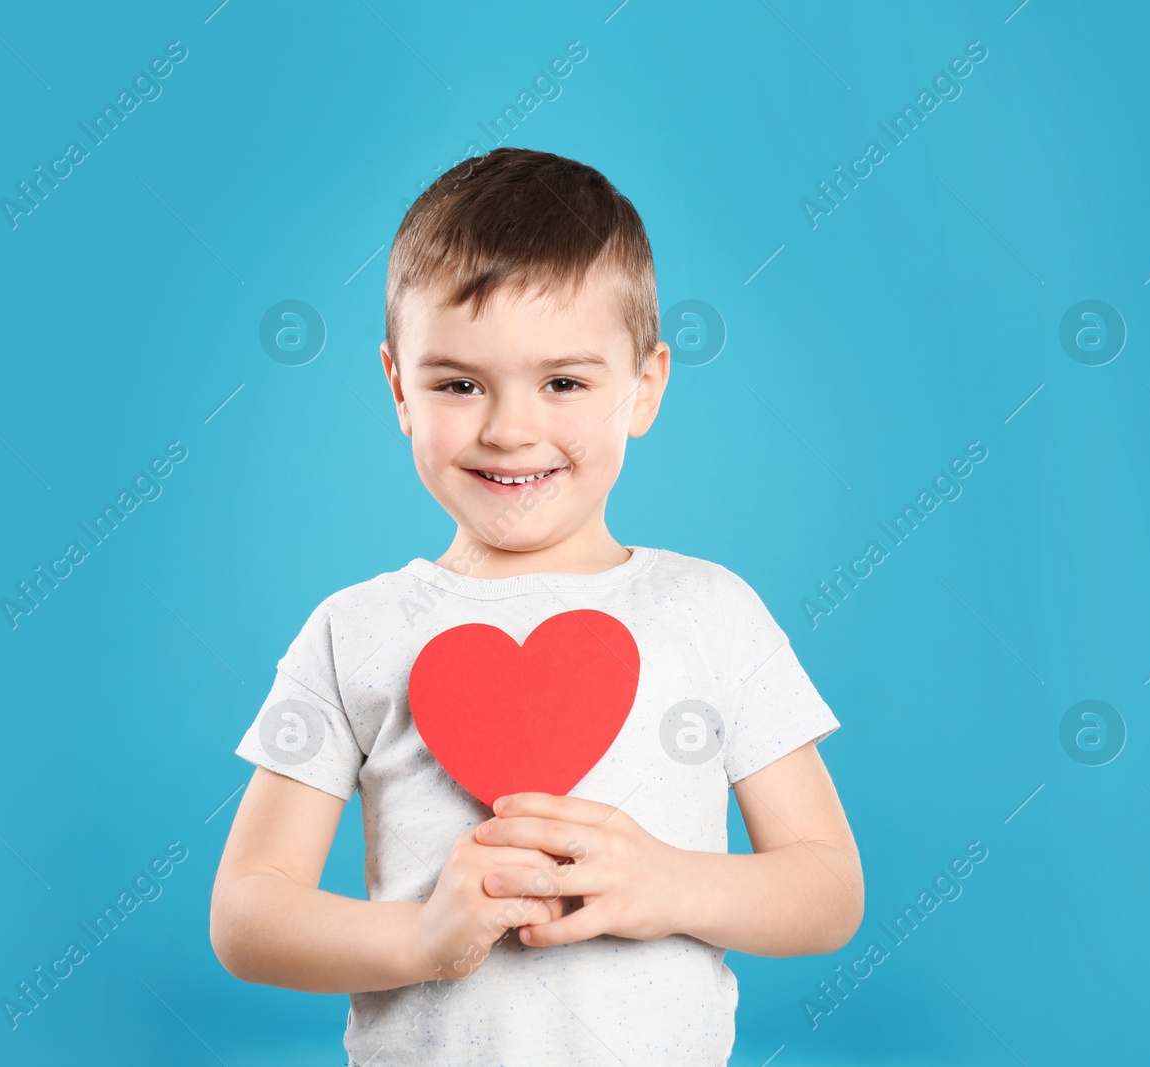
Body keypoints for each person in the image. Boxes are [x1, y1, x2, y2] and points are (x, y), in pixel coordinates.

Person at [209, 146, 863, 1065]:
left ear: (645, 385)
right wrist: (416, 942)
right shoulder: (352, 630)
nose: (511, 427)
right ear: (399, 386)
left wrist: (668, 883)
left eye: (563, 381)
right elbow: (247, 910)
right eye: (458, 383)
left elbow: (827, 887)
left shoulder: (713, 611)